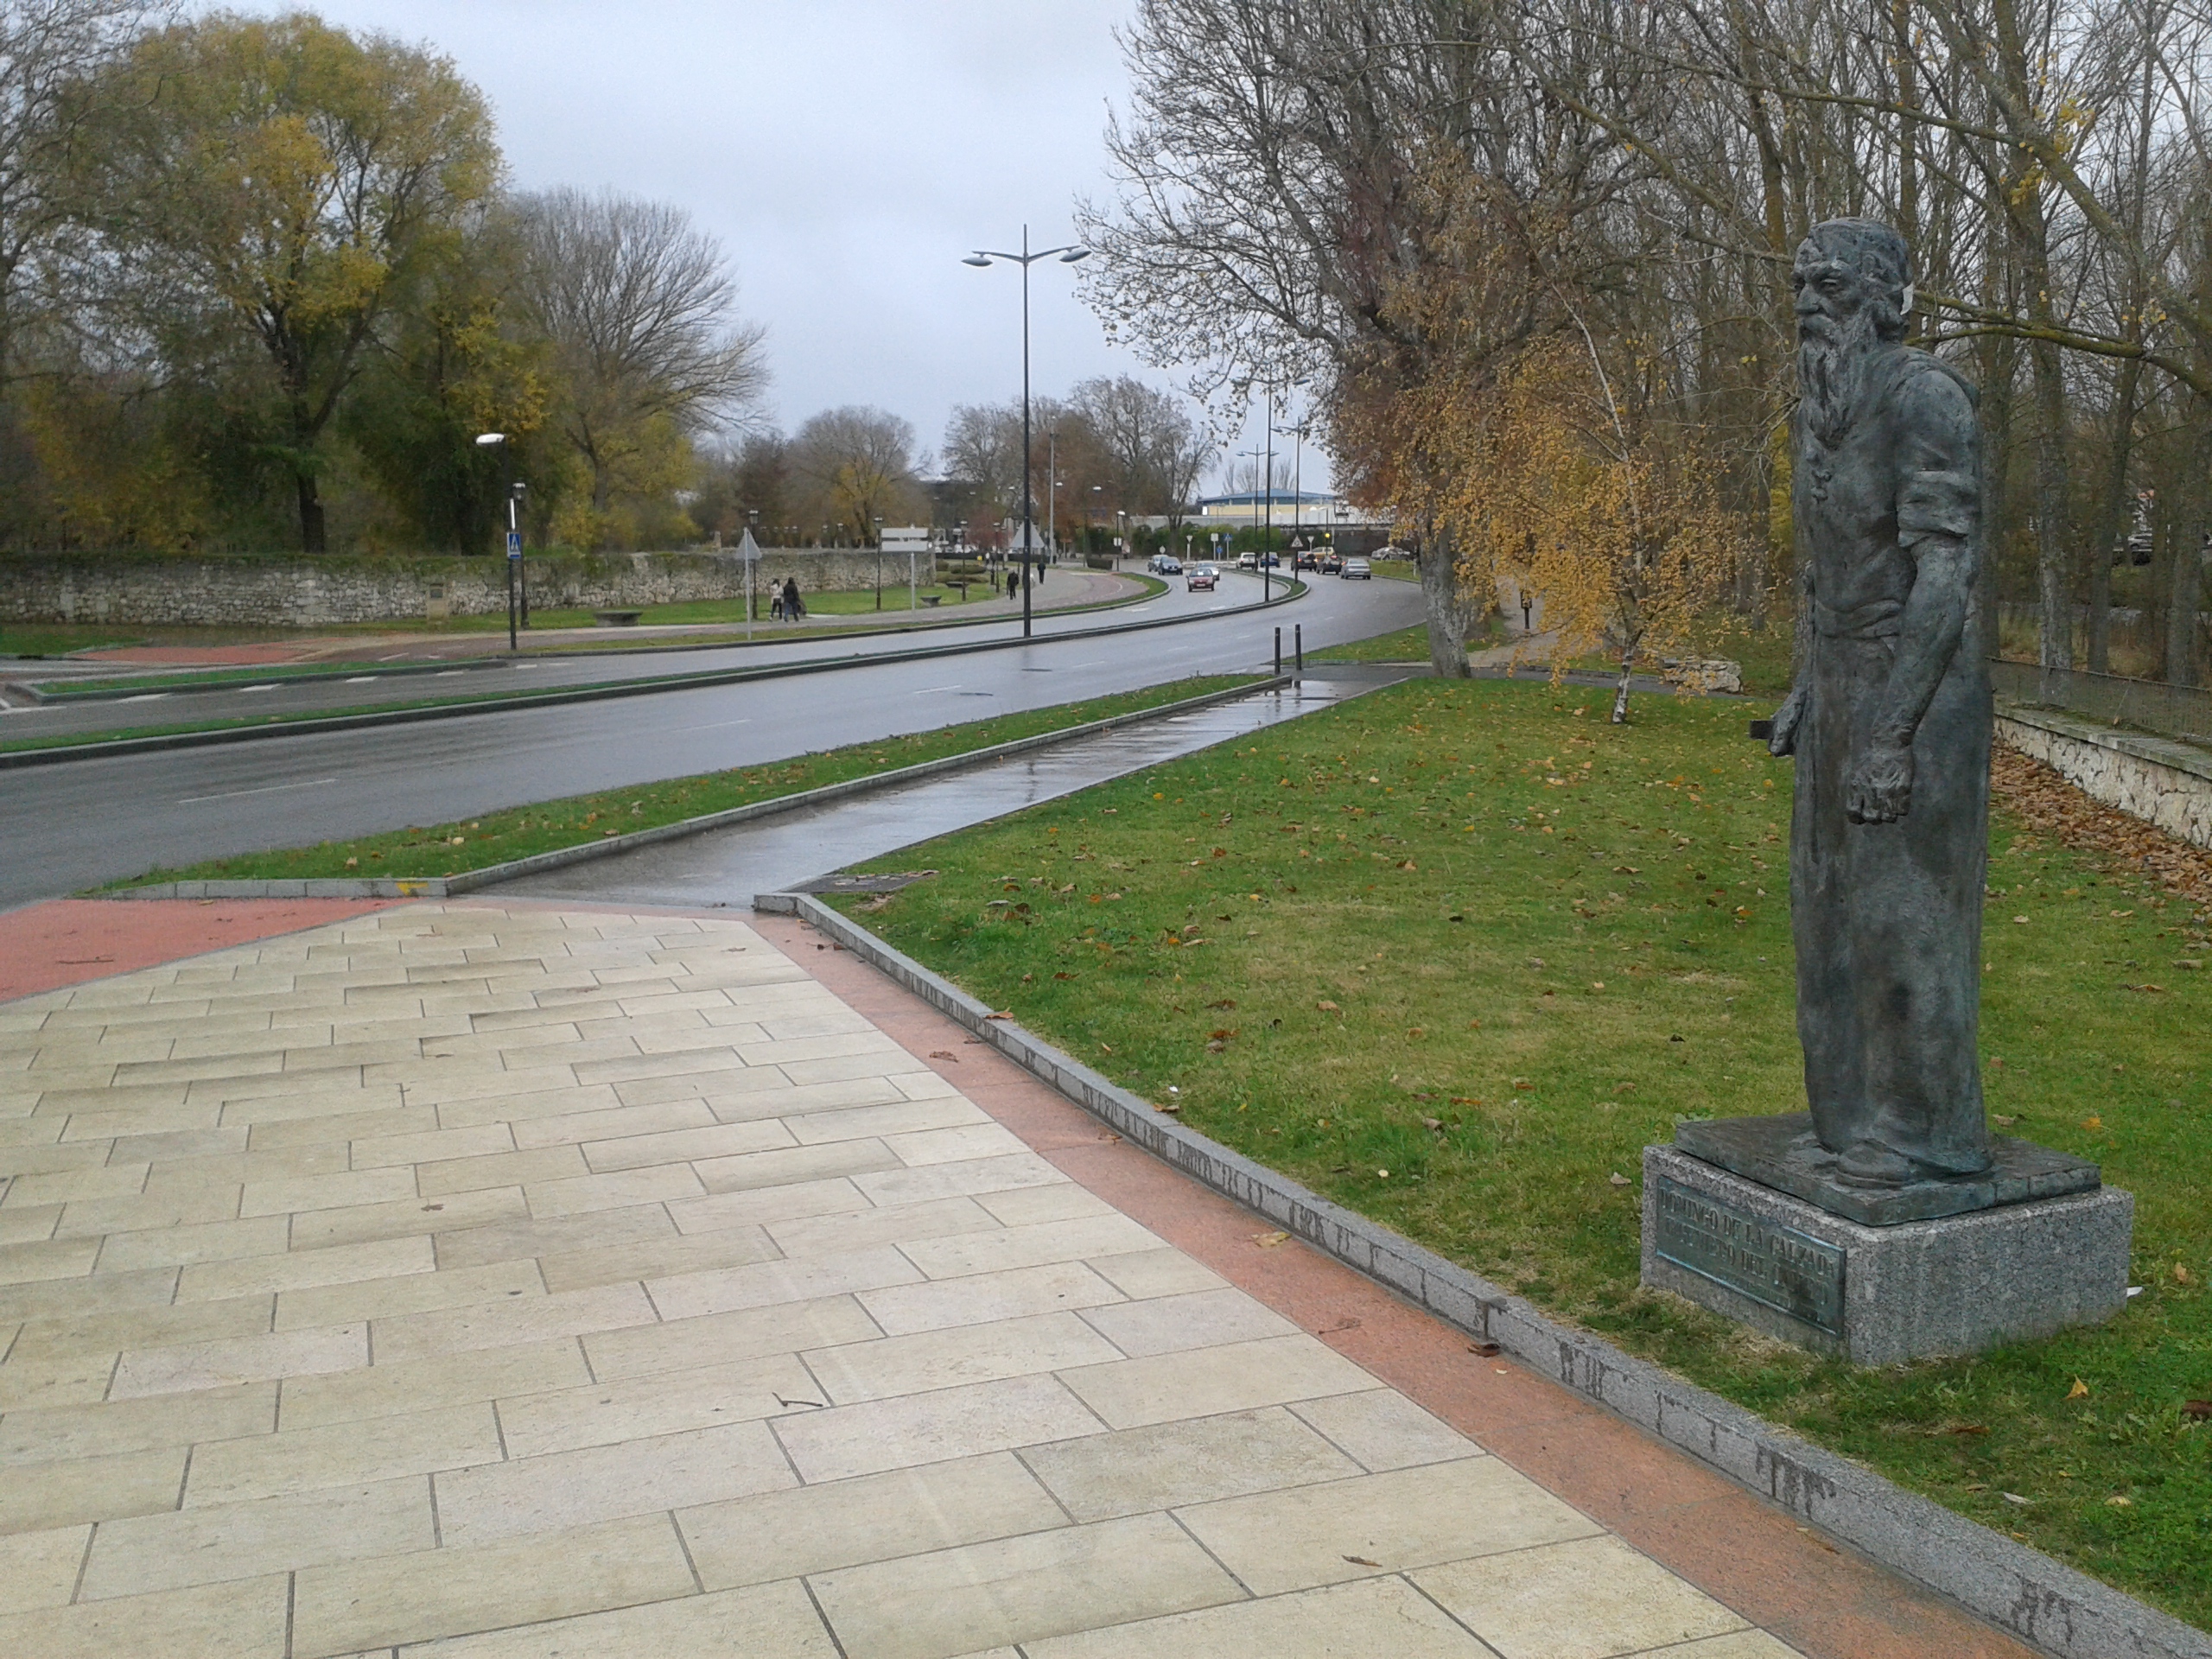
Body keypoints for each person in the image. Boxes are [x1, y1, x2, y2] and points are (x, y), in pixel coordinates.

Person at [1767, 218, 1992, 1192]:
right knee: (1823, 906)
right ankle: (1848, 1121)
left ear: (1885, 298)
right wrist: (1808, 691)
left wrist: (1891, 734)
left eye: (1831, 287)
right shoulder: (1817, 409)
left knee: (1901, 914)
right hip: (1840, 683)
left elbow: (1945, 574)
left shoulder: (1925, 397)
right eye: (1802, 287)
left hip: (1918, 684)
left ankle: (1922, 1136)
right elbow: (1828, 576)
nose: (1810, 304)